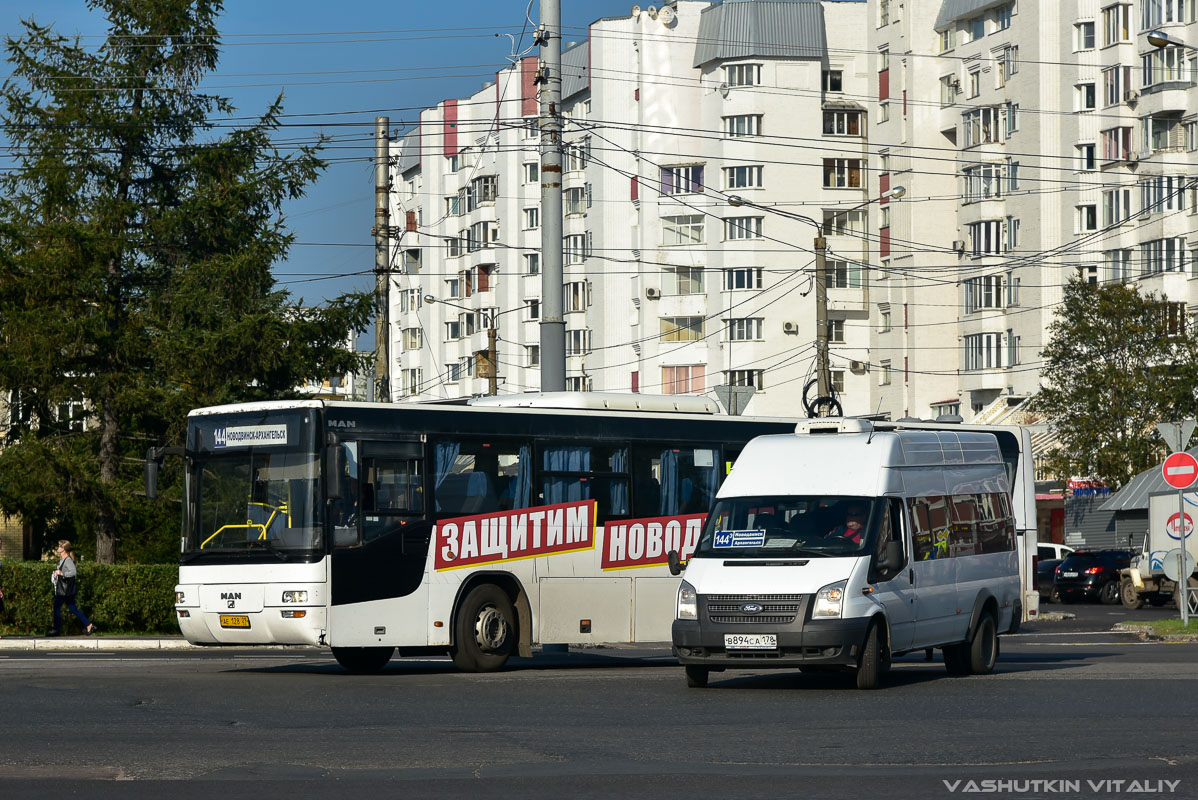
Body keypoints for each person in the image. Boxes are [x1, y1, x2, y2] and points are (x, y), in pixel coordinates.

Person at [47, 540, 95, 637]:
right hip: (65, 590)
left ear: (64, 549)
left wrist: (62, 574)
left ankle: (55, 630)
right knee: (72, 608)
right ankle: (89, 625)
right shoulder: (63, 560)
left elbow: (73, 572)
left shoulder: (68, 560)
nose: (58, 548)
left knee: (57, 607)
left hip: (65, 590)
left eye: (60, 546)